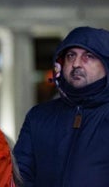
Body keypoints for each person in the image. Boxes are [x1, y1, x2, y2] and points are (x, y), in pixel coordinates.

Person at [13, 26, 109, 186]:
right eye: (70, 56)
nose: (76, 64)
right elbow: (20, 177)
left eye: (89, 56)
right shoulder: (38, 116)